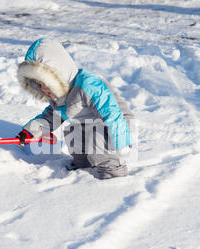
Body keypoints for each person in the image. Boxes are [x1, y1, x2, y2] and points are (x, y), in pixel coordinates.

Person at [16, 38, 134, 179]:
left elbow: (111, 113)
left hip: (117, 125)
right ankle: (84, 167)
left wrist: (121, 140)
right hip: (88, 124)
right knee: (73, 133)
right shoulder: (59, 96)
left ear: (58, 75)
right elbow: (51, 117)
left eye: (45, 83)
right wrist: (29, 131)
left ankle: (113, 174)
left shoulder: (88, 85)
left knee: (99, 142)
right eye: (39, 85)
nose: (43, 89)